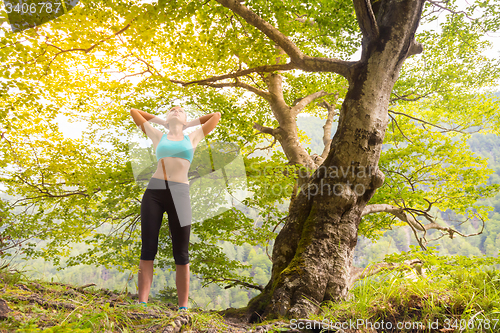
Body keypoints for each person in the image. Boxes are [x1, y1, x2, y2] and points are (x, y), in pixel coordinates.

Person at [129, 105, 221, 310]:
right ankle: (142, 303)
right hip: (154, 192)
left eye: (180, 110)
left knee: (181, 252)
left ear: (186, 119)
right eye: (172, 110)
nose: (176, 110)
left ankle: (183, 307)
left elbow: (216, 116)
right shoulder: (158, 135)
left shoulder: (193, 137)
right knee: (148, 249)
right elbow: (135, 112)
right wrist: (162, 122)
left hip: (180, 193)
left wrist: (189, 124)